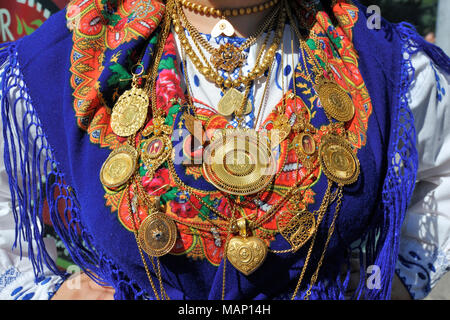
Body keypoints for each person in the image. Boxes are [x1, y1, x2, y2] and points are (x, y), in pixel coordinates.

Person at [0, 0, 449, 300]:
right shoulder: (84, 46)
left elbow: (443, 170)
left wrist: (400, 275)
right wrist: (44, 292)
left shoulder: (371, 52)